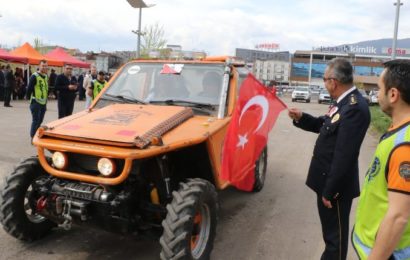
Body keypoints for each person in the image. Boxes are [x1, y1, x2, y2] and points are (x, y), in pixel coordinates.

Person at [288, 58, 370, 260]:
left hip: (336, 189)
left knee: (336, 241)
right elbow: (324, 125)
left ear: (333, 81)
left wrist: (330, 190)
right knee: (330, 236)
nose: (324, 84)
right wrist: (301, 117)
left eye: (325, 79)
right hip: (326, 181)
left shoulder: (354, 108)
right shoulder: (341, 104)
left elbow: (344, 155)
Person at [353, 60, 410, 260]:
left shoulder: (404, 145)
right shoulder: (398, 131)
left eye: (379, 88)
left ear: (393, 94)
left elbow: (398, 217)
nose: (377, 94)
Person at [26, 60, 49, 140]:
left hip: (43, 102)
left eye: (46, 66)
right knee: (35, 120)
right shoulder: (34, 76)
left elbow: (46, 88)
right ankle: (33, 137)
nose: (45, 67)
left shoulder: (46, 76)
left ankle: (36, 134)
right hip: (35, 102)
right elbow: (29, 89)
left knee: (40, 120)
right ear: (39, 66)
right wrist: (30, 100)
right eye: (43, 66)